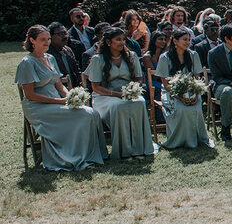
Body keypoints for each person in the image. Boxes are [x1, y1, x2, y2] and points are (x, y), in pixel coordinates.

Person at [15, 25, 106, 171]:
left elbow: (59, 85)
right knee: (83, 115)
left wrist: (70, 97)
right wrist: (60, 101)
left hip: (56, 101)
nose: (47, 42)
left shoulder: (50, 58)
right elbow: (30, 95)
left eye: (48, 39)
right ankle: (76, 158)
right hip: (38, 106)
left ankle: (93, 155)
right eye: (42, 39)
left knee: (91, 113)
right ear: (32, 40)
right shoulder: (27, 63)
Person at [85, 27, 156, 159]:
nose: (122, 42)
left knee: (139, 102)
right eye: (118, 39)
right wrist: (117, 95)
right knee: (117, 106)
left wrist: (132, 90)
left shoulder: (131, 56)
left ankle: (139, 148)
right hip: (105, 95)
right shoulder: (98, 59)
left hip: (128, 93)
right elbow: (96, 87)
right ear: (108, 42)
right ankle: (124, 151)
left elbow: (138, 79)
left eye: (123, 39)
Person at [155, 27, 213, 150]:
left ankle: (197, 138)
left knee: (196, 106)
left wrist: (196, 95)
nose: (187, 42)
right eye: (184, 40)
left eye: (189, 40)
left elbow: (197, 79)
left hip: (192, 90)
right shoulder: (165, 58)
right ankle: (179, 140)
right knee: (181, 108)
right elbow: (166, 84)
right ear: (175, 41)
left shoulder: (193, 55)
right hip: (170, 92)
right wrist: (180, 97)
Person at [46, 22, 81, 88]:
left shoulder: (68, 50)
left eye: (65, 33)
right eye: (60, 34)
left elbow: (76, 70)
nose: (65, 36)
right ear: (51, 37)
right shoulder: (47, 55)